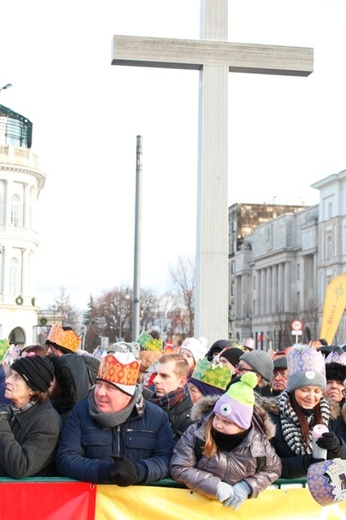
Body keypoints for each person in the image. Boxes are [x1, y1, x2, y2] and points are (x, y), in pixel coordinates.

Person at [56, 352, 174, 484]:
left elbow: (166, 459)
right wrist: (104, 471)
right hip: (95, 501)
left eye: (110, 388)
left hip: (140, 502)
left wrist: (138, 471)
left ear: (127, 395)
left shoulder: (156, 417)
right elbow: (66, 458)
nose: (100, 393)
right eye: (99, 384)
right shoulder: (81, 413)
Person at [170, 372, 282, 511]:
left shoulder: (259, 444)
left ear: (243, 426)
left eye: (227, 422)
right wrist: (215, 486)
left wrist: (248, 486)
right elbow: (179, 467)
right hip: (198, 510)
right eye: (217, 417)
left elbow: (274, 469)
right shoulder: (197, 433)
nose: (219, 424)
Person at [259, 344, 346, 479]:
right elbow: (268, 464)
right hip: (288, 494)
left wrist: (337, 446)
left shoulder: (333, 414)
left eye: (317, 391)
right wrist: (305, 463)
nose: (311, 397)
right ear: (293, 390)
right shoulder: (271, 416)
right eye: (305, 390)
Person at [0, 355, 62, 477]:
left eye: (16, 377)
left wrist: (1, 423)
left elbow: (21, 466)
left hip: (24, 494)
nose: (8, 380)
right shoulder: (11, 409)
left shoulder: (48, 422)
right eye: (10, 374)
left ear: (33, 389)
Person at [45, 324, 90, 423]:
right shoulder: (78, 365)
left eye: (52, 347)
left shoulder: (67, 367)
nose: (48, 351)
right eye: (48, 347)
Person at [149, 353, 193, 441]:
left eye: (164, 376)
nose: (155, 380)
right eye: (156, 374)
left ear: (181, 382)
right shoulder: (146, 402)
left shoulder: (191, 417)